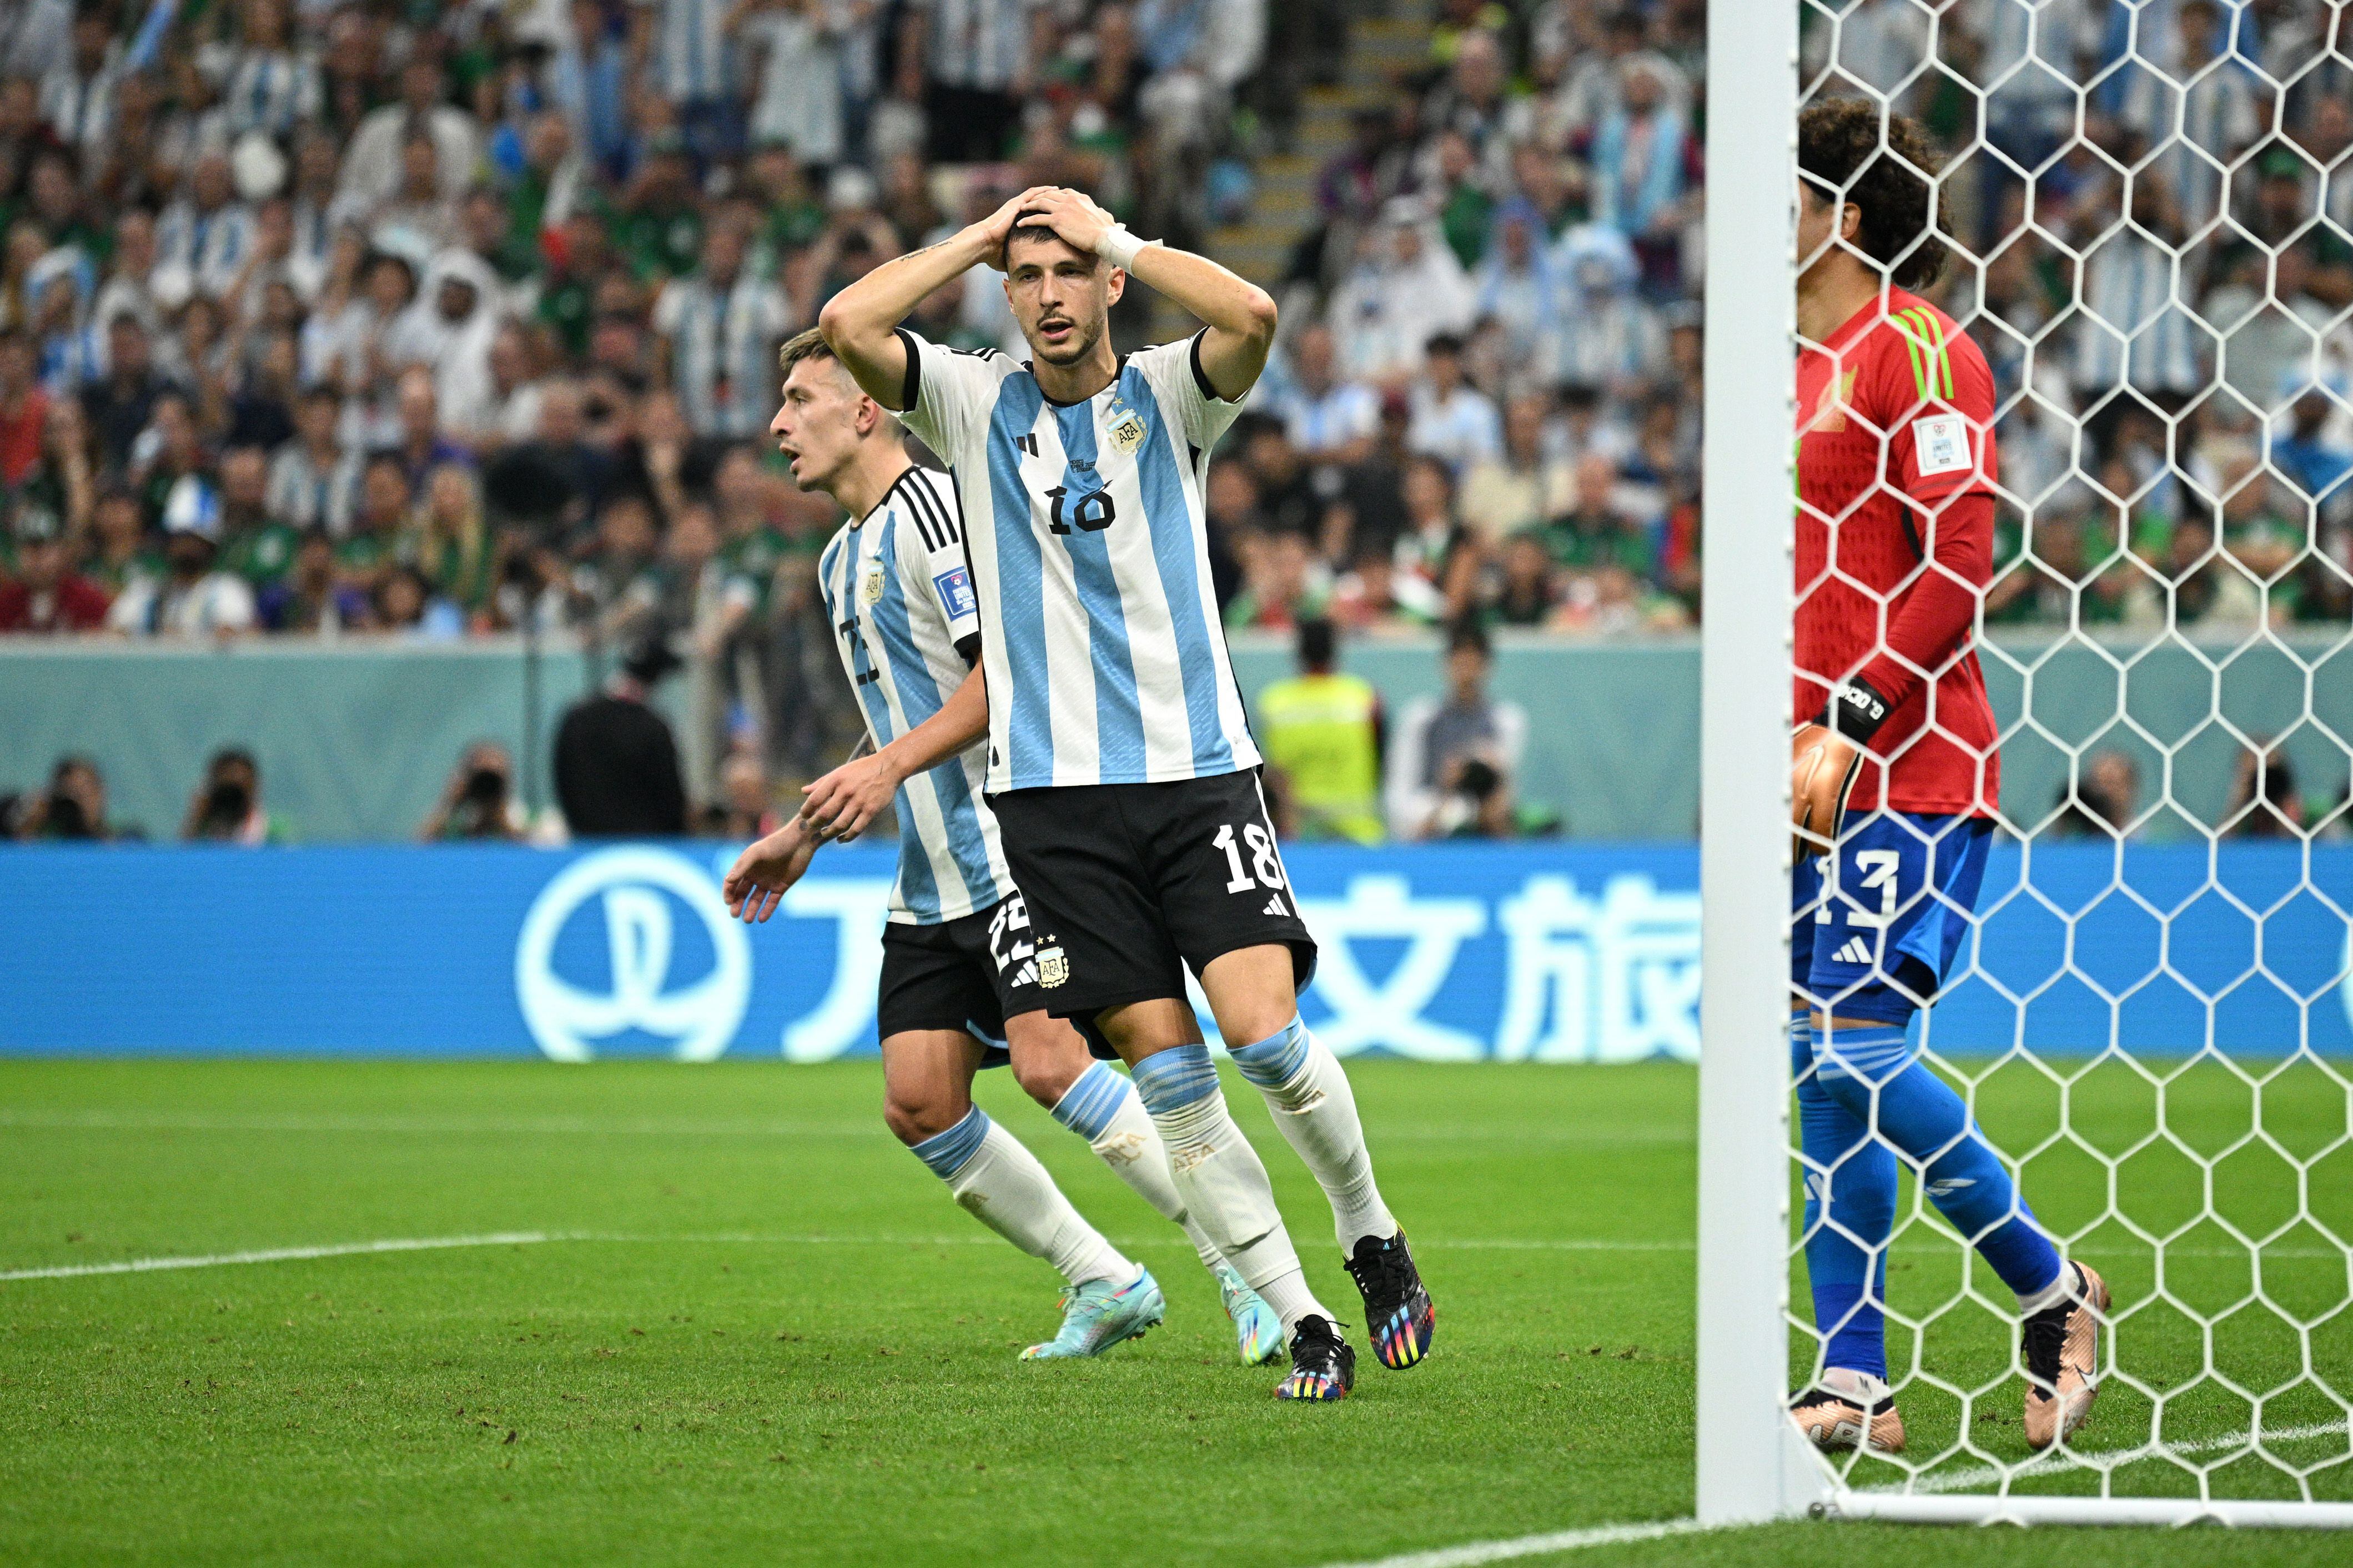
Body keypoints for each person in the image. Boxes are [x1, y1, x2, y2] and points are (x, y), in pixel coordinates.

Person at [802, 184, 1432, 1400]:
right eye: (1023, 278)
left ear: (1107, 289)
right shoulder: (972, 401)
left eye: (1066, 273)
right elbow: (845, 320)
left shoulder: (1166, 394)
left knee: (1265, 1037)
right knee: (1169, 1075)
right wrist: (983, 234)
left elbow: (1251, 310)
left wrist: (1121, 236)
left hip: (1197, 774)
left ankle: (1366, 1227)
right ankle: (1302, 1315)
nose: (1044, 297)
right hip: (1054, 807)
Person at [725, 327, 1284, 1366]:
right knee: (918, 1099)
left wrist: (883, 773)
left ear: (862, 412)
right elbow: (902, 713)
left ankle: (1250, 1274)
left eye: (799, 399)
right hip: (931, 873)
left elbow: (1002, 681)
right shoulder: (839, 557)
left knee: (1046, 1062)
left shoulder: (941, 517)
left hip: (1016, 845)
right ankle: (1104, 1280)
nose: (776, 424)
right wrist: (801, 832)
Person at [1784, 100, 2104, 1458]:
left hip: (1912, 761)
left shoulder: (1921, 349)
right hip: (1806, 770)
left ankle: (2049, 1284)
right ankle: (1853, 1375)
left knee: (1845, 1047)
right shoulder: (1793, 367)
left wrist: (1855, 711)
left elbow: (1956, 562)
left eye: (1782, 196)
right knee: (1823, 1078)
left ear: (1843, 216)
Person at [1385, 618, 1525, 840]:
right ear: (1446, 663)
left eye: (1474, 659)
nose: (1467, 667)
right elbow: (1401, 800)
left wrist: (1490, 777)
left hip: (1484, 829)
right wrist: (1447, 788)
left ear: (1487, 665)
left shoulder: (1506, 721)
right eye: (1460, 658)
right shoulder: (1420, 719)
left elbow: (1502, 814)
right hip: (1431, 822)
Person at [1256, 618, 1384, 844]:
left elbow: (1271, 774)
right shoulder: (1364, 698)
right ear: (1335, 652)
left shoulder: (1274, 703)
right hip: (1360, 835)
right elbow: (1382, 760)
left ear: (1298, 654)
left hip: (1299, 837)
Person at [552, 640, 690, 836]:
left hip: (586, 840)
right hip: (644, 845)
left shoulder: (577, 719)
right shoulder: (654, 728)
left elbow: (563, 779)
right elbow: (670, 796)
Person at [419, 741, 528, 841]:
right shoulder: (453, 825)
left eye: (493, 779)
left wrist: (502, 818)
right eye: (481, 777)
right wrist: (449, 804)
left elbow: (529, 853)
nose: (486, 785)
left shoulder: (526, 819)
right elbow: (419, 849)